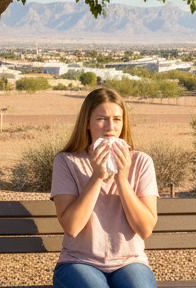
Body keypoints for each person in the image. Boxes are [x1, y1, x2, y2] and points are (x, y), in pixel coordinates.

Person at [50, 87, 159, 288]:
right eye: (101, 118)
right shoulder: (66, 162)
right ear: (87, 124)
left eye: (117, 119)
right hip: (78, 262)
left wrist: (122, 179)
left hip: (130, 262)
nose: (110, 127)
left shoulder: (142, 162)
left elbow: (145, 229)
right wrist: (97, 176)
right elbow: (72, 227)